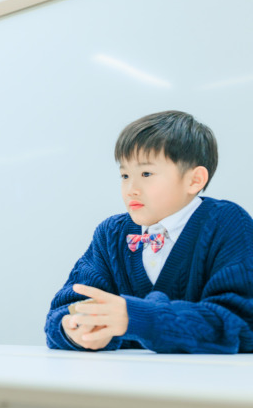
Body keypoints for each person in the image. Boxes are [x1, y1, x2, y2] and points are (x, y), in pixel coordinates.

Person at [45, 110, 253, 353]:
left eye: (146, 174)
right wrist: (73, 330)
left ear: (195, 180)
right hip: (128, 383)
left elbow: (241, 323)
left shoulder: (228, 223)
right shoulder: (111, 233)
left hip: (206, 385)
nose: (131, 189)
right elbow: (61, 312)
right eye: (124, 175)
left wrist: (137, 318)